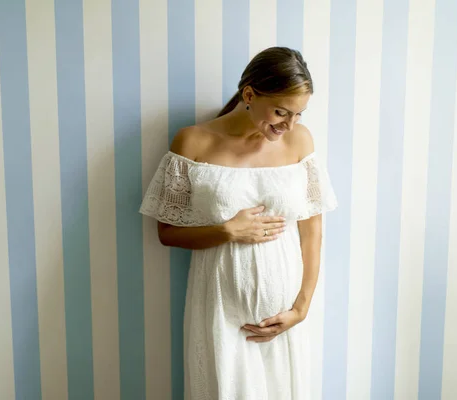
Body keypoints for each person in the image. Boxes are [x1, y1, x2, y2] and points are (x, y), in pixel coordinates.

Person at [139, 47, 337, 400]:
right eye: (281, 112)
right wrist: (227, 231)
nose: (289, 124)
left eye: (298, 114)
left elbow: (312, 231)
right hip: (219, 316)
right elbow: (166, 232)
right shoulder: (194, 142)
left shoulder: (300, 141)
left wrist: (301, 309)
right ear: (249, 94)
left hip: (284, 319)